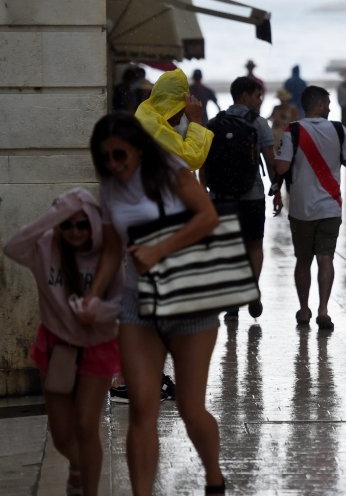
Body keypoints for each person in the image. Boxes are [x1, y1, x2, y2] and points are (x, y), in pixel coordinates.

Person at [86, 113, 225, 495]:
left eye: (120, 154)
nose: (114, 164)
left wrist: (161, 248)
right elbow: (114, 249)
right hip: (138, 305)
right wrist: (93, 294)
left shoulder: (168, 169)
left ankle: (214, 479)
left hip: (190, 302)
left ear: (138, 148)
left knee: (190, 409)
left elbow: (208, 216)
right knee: (141, 408)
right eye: (106, 158)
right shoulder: (110, 186)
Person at [3, 187, 122, 496]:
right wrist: (56, 214)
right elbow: (12, 246)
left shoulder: (106, 253)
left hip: (97, 346)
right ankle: (79, 468)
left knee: (85, 425)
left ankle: (89, 489)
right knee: (60, 435)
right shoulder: (45, 247)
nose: (74, 231)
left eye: (82, 223)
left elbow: (123, 301)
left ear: (94, 223)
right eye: (67, 224)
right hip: (57, 348)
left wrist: (98, 311)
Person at [275, 86, 346, 330]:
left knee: (303, 260)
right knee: (326, 257)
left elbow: (281, 167)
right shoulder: (338, 129)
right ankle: (323, 309)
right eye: (328, 103)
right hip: (330, 206)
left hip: (300, 207)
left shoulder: (293, 131)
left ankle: (304, 310)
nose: (331, 108)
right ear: (320, 104)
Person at [200, 76, 283, 320]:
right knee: (254, 244)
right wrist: (277, 191)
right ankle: (252, 288)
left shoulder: (214, 123)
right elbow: (270, 162)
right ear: (244, 96)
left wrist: (203, 191)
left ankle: (232, 303)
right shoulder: (258, 123)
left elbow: (202, 163)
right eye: (258, 96)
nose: (260, 101)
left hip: (220, 195)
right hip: (252, 194)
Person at [134, 68, 213, 172]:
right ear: (172, 106)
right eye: (181, 112)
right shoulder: (154, 127)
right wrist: (196, 121)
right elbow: (191, 159)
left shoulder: (145, 112)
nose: (179, 121)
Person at [268, 88, 300, 152]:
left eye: (284, 99)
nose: (282, 101)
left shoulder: (292, 108)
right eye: (281, 99)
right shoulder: (276, 108)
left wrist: (286, 121)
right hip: (275, 134)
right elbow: (270, 117)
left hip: (287, 134)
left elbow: (297, 121)